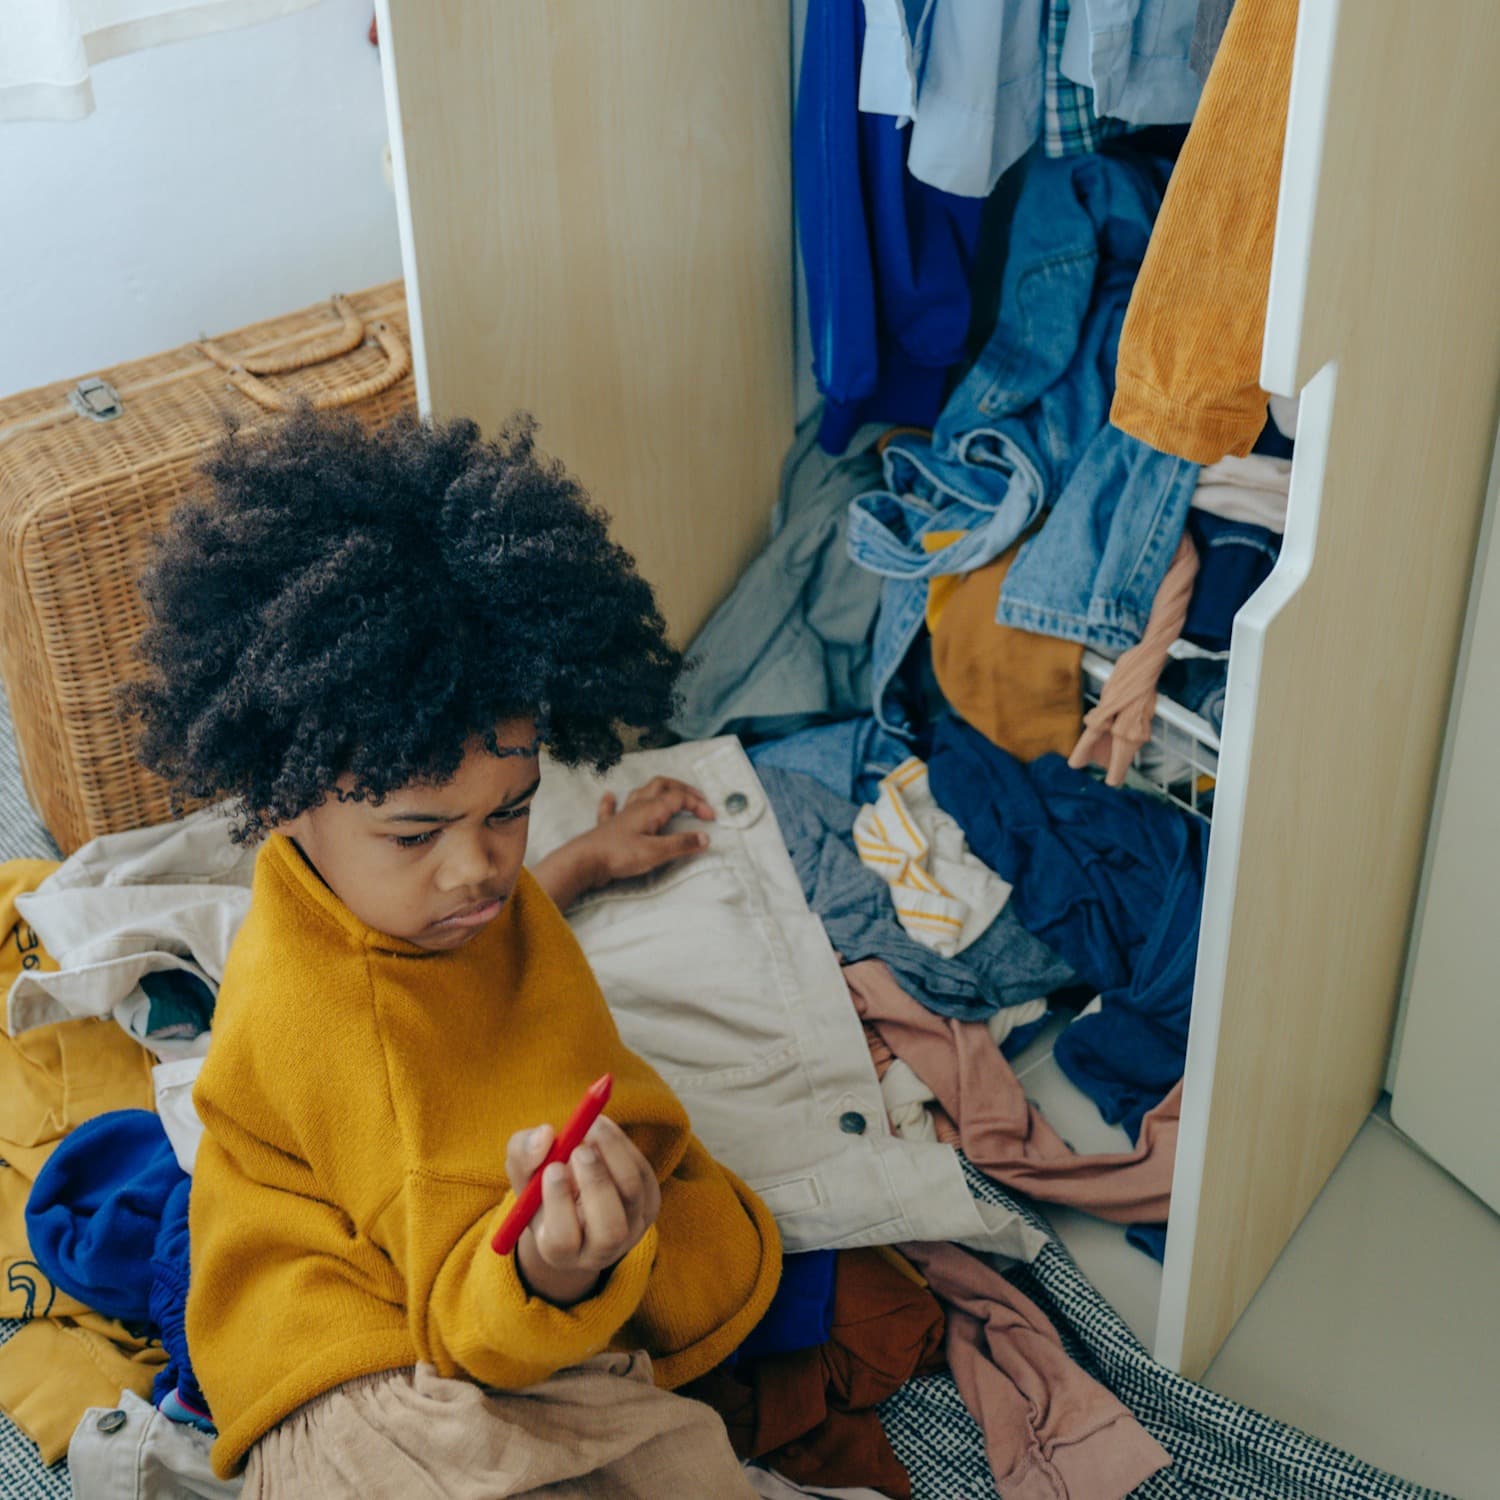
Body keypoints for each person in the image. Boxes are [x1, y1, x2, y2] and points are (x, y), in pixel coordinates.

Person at [126, 408, 780, 1495]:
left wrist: (579, 859)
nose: (477, 871)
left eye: (513, 811)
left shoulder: (372, 884)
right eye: (419, 835)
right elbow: (471, 1334)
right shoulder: (378, 1064)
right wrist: (553, 1268)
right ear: (279, 801)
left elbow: (485, 910)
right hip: (368, 1388)